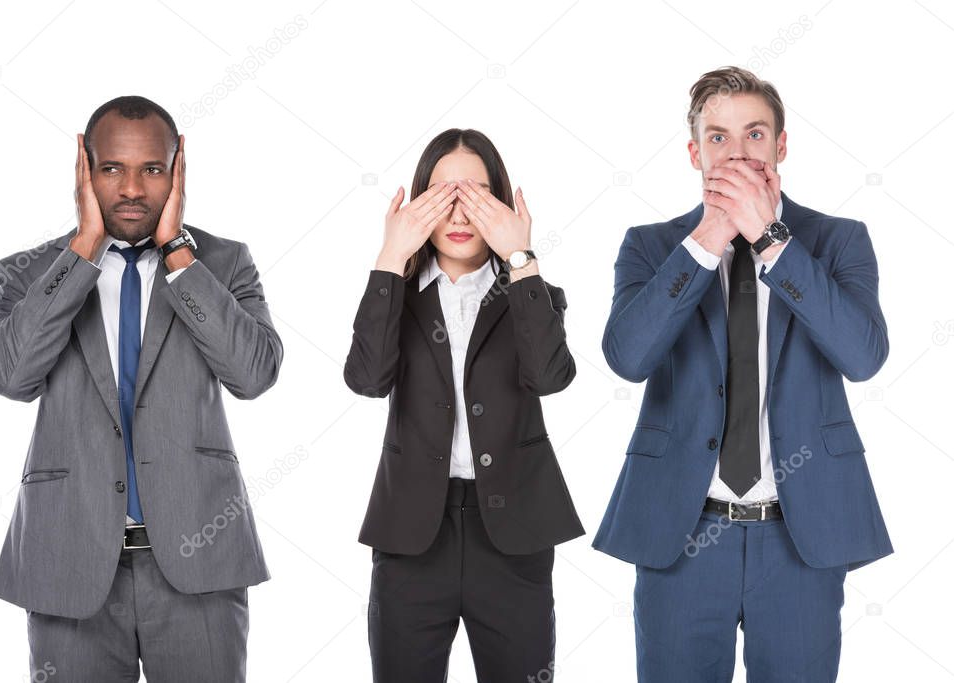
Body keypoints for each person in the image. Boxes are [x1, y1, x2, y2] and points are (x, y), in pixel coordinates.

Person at [592, 67, 892, 681]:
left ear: (781, 145)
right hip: (682, 532)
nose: (737, 153)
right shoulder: (651, 247)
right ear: (694, 152)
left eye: (754, 134)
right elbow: (628, 355)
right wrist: (707, 242)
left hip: (800, 537)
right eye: (718, 137)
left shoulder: (838, 241)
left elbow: (862, 356)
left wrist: (772, 240)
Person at [0, 95, 283, 681]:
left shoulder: (222, 261)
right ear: (84, 169)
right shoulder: (28, 270)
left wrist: (177, 255)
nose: (133, 189)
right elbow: (8, 376)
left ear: (178, 170)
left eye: (152, 169)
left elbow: (254, 373)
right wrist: (84, 246)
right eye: (112, 168)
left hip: (200, 563)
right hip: (69, 561)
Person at [344, 128, 584, 682]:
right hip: (411, 535)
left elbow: (550, 377)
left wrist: (521, 256)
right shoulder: (394, 296)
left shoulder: (531, 294)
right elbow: (366, 379)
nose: (458, 211)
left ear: (499, 201)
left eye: (475, 193)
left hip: (513, 532)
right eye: (441, 193)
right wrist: (389, 256)